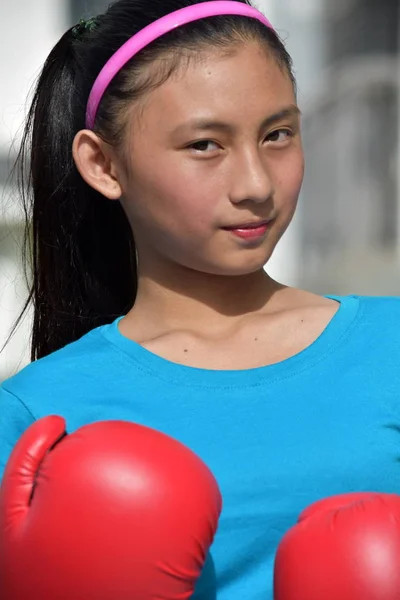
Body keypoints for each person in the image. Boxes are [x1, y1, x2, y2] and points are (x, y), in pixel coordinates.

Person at [1, 0, 400, 598]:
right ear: (103, 163)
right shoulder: (39, 414)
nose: (256, 185)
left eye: (278, 134)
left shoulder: (390, 348)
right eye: (205, 145)